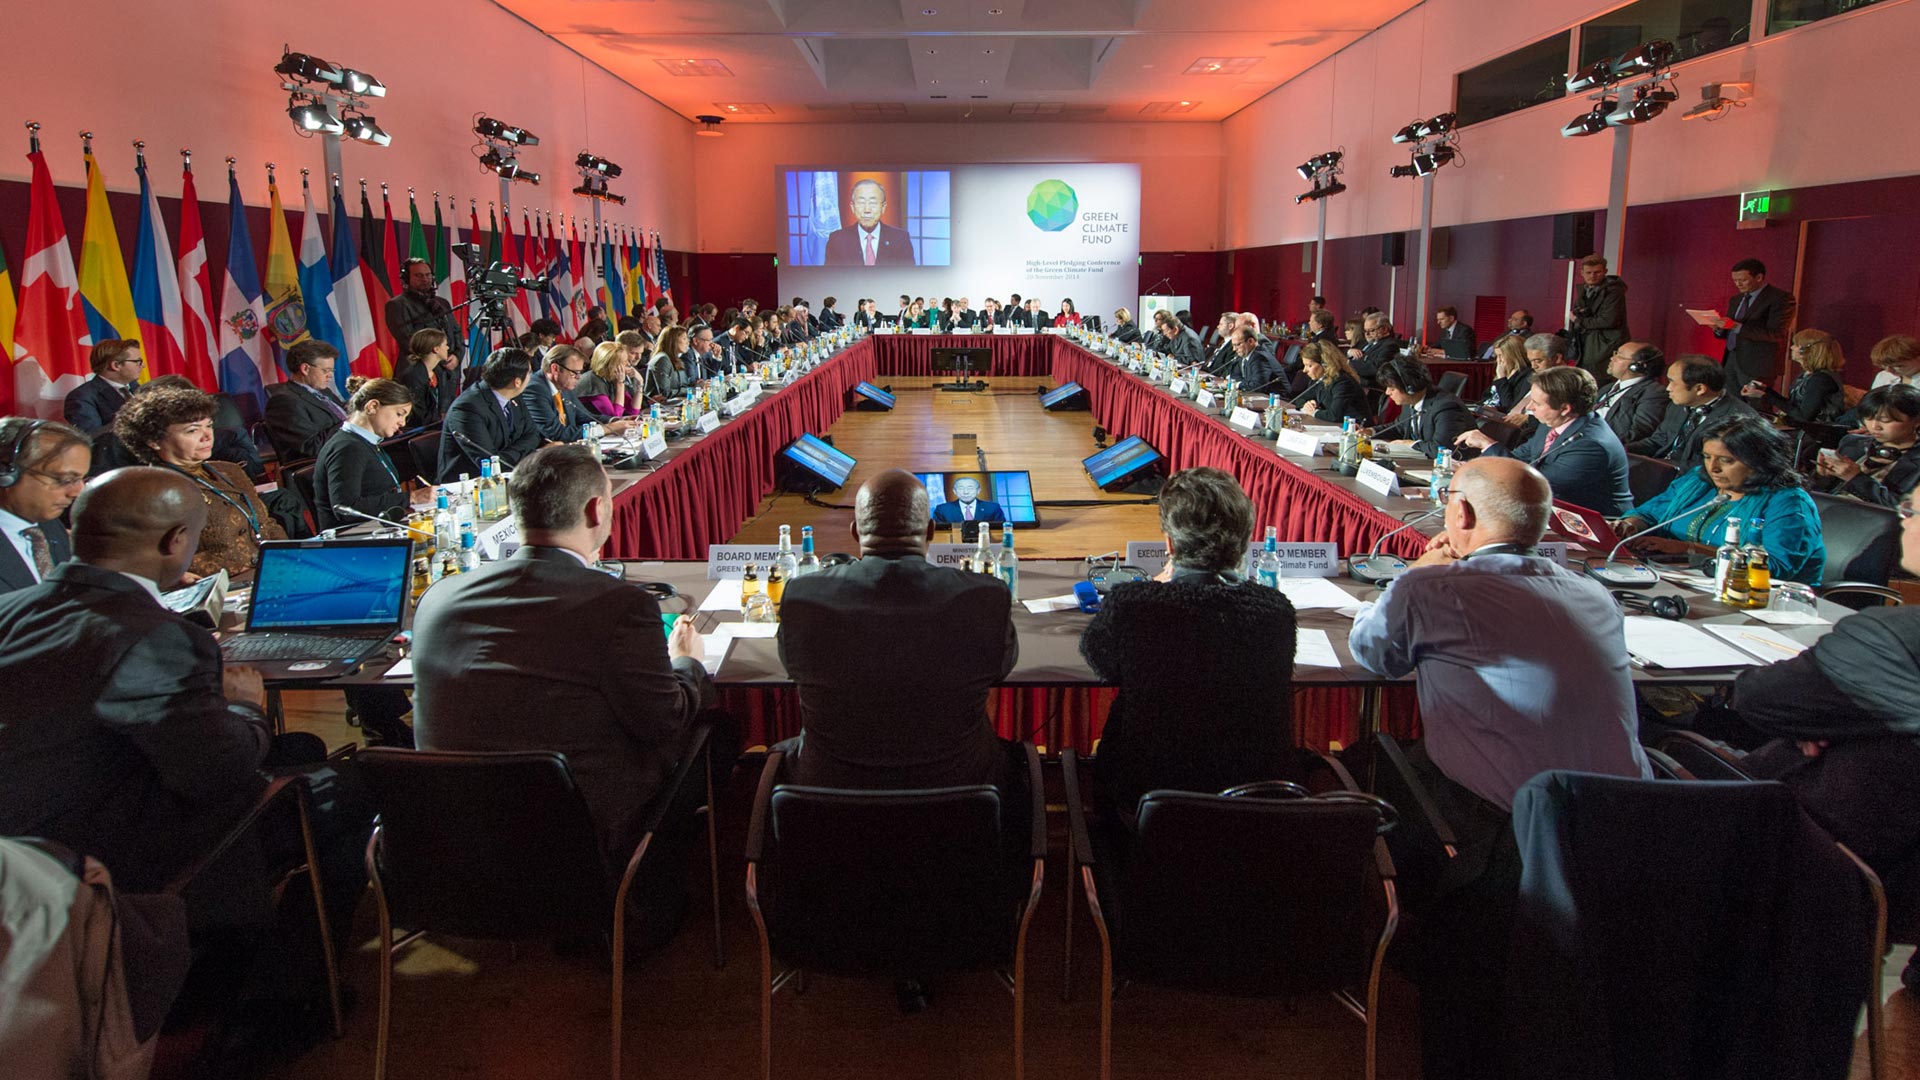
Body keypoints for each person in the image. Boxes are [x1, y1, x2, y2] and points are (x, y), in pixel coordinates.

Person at [412, 445, 714, 933]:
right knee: (713, 735)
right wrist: (687, 663)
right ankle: (644, 901)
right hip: (577, 833)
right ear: (597, 510)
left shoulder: (437, 596)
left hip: (450, 830)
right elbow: (663, 721)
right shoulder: (618, 605)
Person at [1726, 496, 1920, 988]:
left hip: (1834, 867)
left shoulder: (1888, 638)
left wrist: (1826, 720)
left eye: (1914, 511)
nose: (1902, 519)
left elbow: (1757, 699)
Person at [774, 468, 1017, 790]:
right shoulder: (986, 597)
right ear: (931, 531)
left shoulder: (802, 598)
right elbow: (1000, 669)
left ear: (855, 533)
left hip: (827, 800)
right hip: (961, 800)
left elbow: (793, 665)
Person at [1079, 467, 1299, 820]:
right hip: (1257, 818)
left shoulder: (1135, 604)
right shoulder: (1275, 612)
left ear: (1169, 544)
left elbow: (1100, 660)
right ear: (1244, 542)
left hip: (1148, 811)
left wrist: (1153, 587)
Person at [1610, 414, 1825, 585]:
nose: (1713, 468)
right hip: (1675, 579)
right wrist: (1630, 525)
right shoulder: (1698, 481)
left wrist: (1688, 549)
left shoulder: (1789, 503)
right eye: (1707, 457)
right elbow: (1648, 513)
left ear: (1759, 461)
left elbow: (1774, 568)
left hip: (1757, 601)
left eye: (1726, 460)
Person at [116, 386, 287, 580]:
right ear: (154, 441)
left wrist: (292, 557)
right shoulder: (149, 491)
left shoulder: (230, 470)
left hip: (273, 571)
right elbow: (144, 561)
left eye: (208, 425)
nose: (207, 436)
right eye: (192, 430)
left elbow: (266, 524)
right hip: (216, 587)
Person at [1458, 366, 1633, 516]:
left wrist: (1488, 445)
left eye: (1537, 403)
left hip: (1595, 526)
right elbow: (1521, 458)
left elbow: (1536, 484)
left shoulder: (1592, 444)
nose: (1529, 408)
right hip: (1547, 510)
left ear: (1564, 408)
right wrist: (1472, 466)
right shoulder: (1552, 423)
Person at [0, 418, 90, 593]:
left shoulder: (49, 527)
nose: (77, 492)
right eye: (65, 480)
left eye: (81, 479)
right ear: (6, 473)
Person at [313, 377, 411, 532]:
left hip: (375, 528)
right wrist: (409, 498)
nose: (402, 423)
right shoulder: (347, 448)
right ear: (372, 406)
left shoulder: (365, 442)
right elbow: (346, 508)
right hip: (352, 538)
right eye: (399, 414)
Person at [1634, 355, 1760, 469]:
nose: (1668, 388)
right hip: (1660, 469)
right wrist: (1624, 450)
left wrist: (1659, 467)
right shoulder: (1677, 404)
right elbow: (1658, 441)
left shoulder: (1738, 419)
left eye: (1672, 382)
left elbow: (1714, 467)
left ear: (1699, 389)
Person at [438, 348, 542, 482]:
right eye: (529, 373)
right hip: (467, 486)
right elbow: (489, 463)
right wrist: (531, 455)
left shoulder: (514, 396)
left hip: (509, 474)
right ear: (517, 382)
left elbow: (533, 434)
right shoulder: (468, 408)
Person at [1816, 384, 1920, 508]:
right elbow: (1820, 490)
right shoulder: (1852, 442)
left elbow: (1905, 509)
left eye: (1885, 420)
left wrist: (1856, 478)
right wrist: (1823, 475)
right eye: (1868, 418)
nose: (1875, 426)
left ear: (1916, 421)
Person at [1714, 257, 1797, 389]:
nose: (1738, 284)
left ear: (1759, 277)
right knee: (1732, 403)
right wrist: (1719, 328)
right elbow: (1730, 330)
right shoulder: (1736, 299)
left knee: (1756, 405)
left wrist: (1736, 326)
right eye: (1735, 280)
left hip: (1758, 364)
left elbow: (1776, 333)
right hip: (1731, 359)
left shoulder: (1780, 298)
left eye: (1743, 280)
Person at [524, 344, 632, 443]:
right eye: (575, 373)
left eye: (580, 372)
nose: (579, 377)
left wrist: (616, 420)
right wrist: (609, 428)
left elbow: (584, 417)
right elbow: (557, 434)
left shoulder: (563, 385)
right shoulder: (535, 390)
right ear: (555, 368)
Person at [263, 341, 349, 463]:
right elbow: (311, 447)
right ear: (305, 369)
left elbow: (341, 415)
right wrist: (353, 423)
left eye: (331, 370)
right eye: (325, 370)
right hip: (326, 467)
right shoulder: (284, 402)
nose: (330, 376)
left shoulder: (324, 392)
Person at [1370, 357, 1476, 457]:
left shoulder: (1446, 407)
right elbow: (1399, 427)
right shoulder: (1411, 401)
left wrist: (1410, 444)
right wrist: (1371, 431)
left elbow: (1441, 450)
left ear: (1409, 387)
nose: (1387, 392)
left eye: (1392, 388)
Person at [1741, 328, 1846, 424]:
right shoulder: (1807, 374)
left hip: (1813, 433)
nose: (1791, 347)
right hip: (1800, 429)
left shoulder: (1821, 380)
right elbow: (1793, 406)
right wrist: (1766, 390)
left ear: (1806, 351)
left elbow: (1804, 416)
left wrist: (1765, 396)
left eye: (1795, 344)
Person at [1594, 342, 1673, 449]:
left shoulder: (1653, 393)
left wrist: (1595, 442)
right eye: (1615, 354)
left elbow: (1639, 432)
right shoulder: (1607, 388)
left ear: (1637, 366)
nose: (1612, 358)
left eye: (1620, 356)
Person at [384, 257, 463, 363]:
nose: (425, 279)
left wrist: (457, 357)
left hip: (449, 373)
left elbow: (456, 333)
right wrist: (438, 358)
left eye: (428, 275)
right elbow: (409, 341)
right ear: (406, 278)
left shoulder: (442, 303)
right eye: (418, 275)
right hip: (420, 371)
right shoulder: (397, 305)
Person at [824, 178, 917, 266]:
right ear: (852, 207)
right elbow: (831, 279)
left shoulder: (900, 239)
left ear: (883, 207)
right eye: (861, 202)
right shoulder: (837, 240)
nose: (867, 209)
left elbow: (908, 279)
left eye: (873, 203)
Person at [63, 338, 143, 435]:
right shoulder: (82, 397)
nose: (143, 366)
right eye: (138, 361)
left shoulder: (140, 389)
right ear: (116, 365)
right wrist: (126, 418)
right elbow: (91, 438)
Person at [1568, 254, 1628, 378]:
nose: (1592, 276)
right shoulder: (1584, 290)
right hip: (1588, 344)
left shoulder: (1614, 291)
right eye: (1588, 272)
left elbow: (1608, 320)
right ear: (1582, 273)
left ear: (1605, 272)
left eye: (1597, 272)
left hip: (1604, 346)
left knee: (1598, 380)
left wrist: (1579, 321)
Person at [1291, 339, 1370, 426]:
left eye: (1309, 365)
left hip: (1356, 430)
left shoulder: (1343, 382)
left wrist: (1314, 412)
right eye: (1304, 365)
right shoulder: (1320, 379)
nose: (1304, 370)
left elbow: (1334, 415)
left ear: (1325, 364)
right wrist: (1307, 404)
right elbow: (1298, 399)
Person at [392, 328, 459, 428]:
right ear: (436, 349)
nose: (448, 348)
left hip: (433, 426)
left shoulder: (438, 373)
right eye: (445, 345)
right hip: (418, 430)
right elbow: (417, 415)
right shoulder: (413, 376)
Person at [576, 341, 643, 417]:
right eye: (624, 362)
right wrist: (620, 384)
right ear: (611, 365)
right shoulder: (592, 382)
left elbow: (633, 412)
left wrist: (640, 383)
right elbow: (615, 417)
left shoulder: (611, 377)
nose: (628, 364)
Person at [1225, 327, 1285, 393]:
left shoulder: (1260, 358)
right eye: (1233, 345)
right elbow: (1235, 375)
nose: (1234, 349)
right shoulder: (1244, 354)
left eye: (1237, 345)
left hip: (1278, 399)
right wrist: (1240, 383)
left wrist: (1237, 384)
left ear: (1250, 341)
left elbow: (1258, 386)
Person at [1481, 336, 1533, 413]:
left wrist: (1501, 378)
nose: (1498, 360)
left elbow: (1508, 405)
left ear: (1514, 355)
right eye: (1497, 356)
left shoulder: (1527, 375)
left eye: (1501, 355)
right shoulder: (1506, 370)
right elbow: (1487, 397)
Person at [643, 326, 695, 399]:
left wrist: (696, 386)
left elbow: (684, 385)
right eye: (684, 338)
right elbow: (664, 393)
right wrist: (691, 390)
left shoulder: (678, 359)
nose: (687, 342)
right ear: (673, 341)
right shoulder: (662, 359)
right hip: (659, 406)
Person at [931, 476, 1005, 525]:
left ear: (978, 491)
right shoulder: (942, 509)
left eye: (970, 488)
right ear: (954, 491)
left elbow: (1001, 530)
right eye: (961, 488)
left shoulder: (992, 508)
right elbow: (939, 533)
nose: (966, 492)